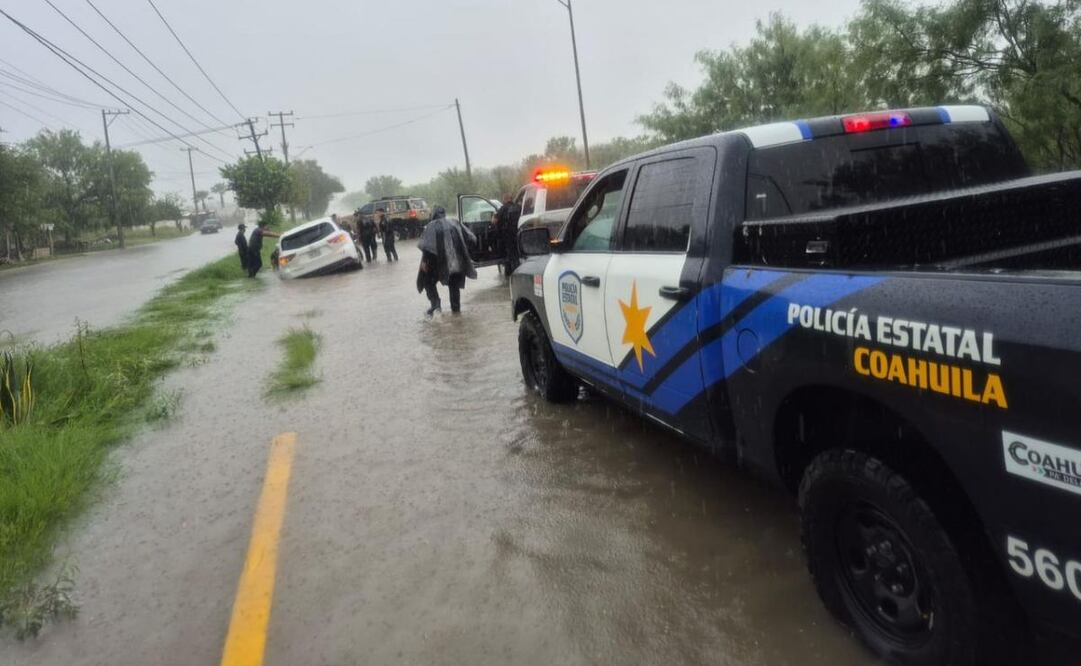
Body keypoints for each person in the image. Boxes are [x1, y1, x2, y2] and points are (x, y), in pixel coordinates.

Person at [416, 206, 476, 316]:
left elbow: (426, 248)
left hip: (437, 264)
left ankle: (436, 305)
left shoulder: (430, 226)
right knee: (454, 288)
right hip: (457, 264)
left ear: (433, 215)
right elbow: (471, 238)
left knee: (428, 282)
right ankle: (456, 313)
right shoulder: (455, 223)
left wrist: (424, 263)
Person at [492, 193, 522, 274]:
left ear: (505, 199)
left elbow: (494, 221)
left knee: (509, 256)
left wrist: (494, 216)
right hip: (519, 235)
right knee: (517, 254)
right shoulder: (519, 207)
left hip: (507, 236)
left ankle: (509, 275)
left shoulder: (503, 208)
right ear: (511, 199)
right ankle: (518, 272)